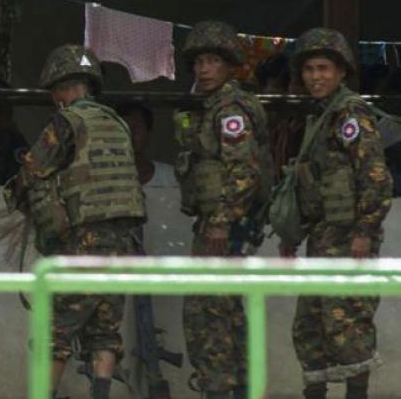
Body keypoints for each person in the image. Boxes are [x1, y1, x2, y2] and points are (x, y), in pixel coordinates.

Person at [4, 44, 146, 399]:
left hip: (85, 240)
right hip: (124, 240)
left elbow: (32, 172)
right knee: (104, 328)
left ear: (62, 87)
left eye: (55, 90)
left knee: (56, 328)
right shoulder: (116, 123)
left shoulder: (66, 122)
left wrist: (19, 196)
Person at [282, 28, 392, 399]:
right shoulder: (322, 116)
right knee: (310, 327)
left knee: (347, 326)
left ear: (342, 72)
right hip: (323, 238)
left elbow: (376, 178)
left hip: (349, 241)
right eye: (310, 69)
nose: (316, 76)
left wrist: (364, 231)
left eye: (324, 68)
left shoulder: (350, 115)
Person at [174, 21, 273, 399]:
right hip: (222, 223)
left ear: (230, 65)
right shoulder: (213, 106)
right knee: (225, 309)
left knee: (207, 312)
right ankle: (243, 387)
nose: (203, 69)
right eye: (199, 61)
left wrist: (218, 223)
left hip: (225, 225)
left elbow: (243, 172)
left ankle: (223, 388)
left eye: (213, 60)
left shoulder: (230, 109)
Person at [117, 101, 177, 187]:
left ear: (148, 132)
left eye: (136, 127)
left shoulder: (173, 178)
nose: (129, 133)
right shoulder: (101, 179)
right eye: (123, 128)